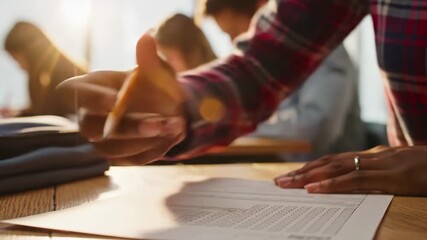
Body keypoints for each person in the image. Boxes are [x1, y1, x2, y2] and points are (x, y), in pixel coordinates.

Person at [58, 0, 427, 196]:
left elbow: (316, 125)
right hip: (398, 211)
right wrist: (179, 105)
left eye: (232, 28)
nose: (236, 37)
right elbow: (257, 68)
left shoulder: (332, 59)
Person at [203, 0, 365, 162]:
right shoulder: (271, 68)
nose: (235, 43)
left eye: (234, 32)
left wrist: (245, 125)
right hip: (289, 167)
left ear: (264, 13)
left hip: (333, 174)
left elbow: (315, 124)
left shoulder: (325, 51)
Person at [4, 21, 86, 117]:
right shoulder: (64, 72)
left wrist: (16, 116)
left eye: (17, 59)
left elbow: (48, 112)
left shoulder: (60, 81)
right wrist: (15, 112)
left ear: (29, 53)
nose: (20, 67)